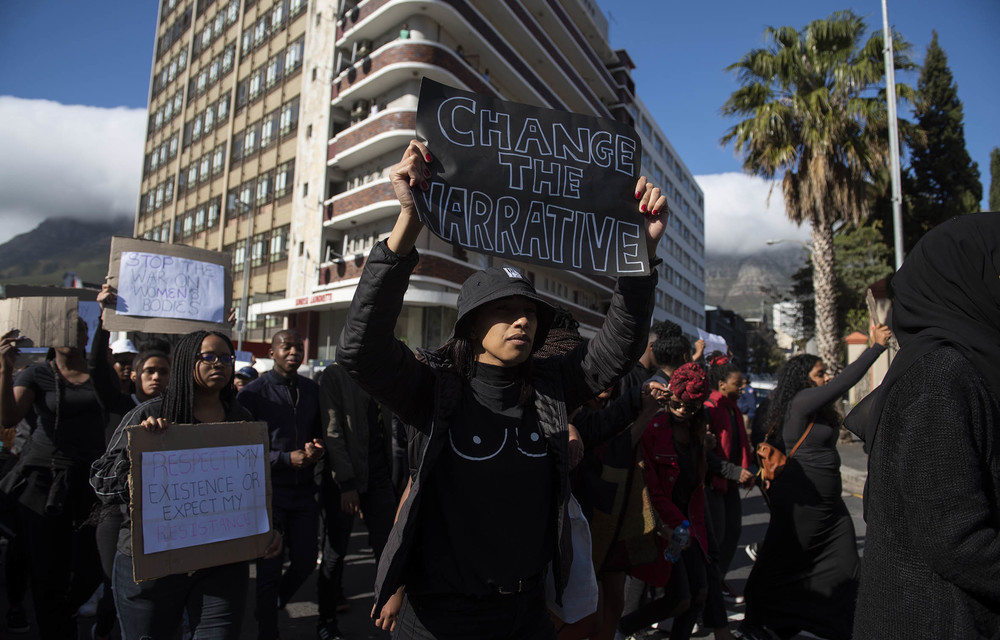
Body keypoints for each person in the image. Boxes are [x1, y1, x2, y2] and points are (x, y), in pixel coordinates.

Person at [336, 139, 666, 639]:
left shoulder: (553, 389)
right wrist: (410, 220)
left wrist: (640, 253)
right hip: (440, 619)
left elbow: (619, 347)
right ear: (470, 326)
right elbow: (360, 349)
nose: (522, 320)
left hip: (528, 613)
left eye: (530, 312)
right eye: (505, 310)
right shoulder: (435, 389)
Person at [846, 213, 1000, 639]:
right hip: (939, 619)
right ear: (964, 280)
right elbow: (955, 539)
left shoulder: (963, 365)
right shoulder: (939, 376)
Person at [90, 330, 282, 640]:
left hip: (222, 560)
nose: (218, 363)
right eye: (207, 356)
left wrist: (269, 528)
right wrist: (137, 451)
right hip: (154, 563)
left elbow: (256, 488)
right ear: (184, 362)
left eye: (225, 357)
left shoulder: (242, 421)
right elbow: (102, 484)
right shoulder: (150, 414)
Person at [739, 323, 891, 640]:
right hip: (803, 507)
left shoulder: (818, 410)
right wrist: (875, 348)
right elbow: (843, 384)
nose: (825, 378)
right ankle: (763, 619)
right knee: (784, 562)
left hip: (830, 509)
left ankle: (843, 625)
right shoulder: (800, 402)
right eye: (820, 373)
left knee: (846, 563)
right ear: (803, 378)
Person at [0, 316, 115, 640]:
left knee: (95, 565)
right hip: (43, 482)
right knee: (47, 570)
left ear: (85, 336)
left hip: (90, 482)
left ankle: (64, 611)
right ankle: (56, 629)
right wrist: (5, 369)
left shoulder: (99, 375)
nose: (68, 334)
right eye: (61, 328)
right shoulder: (36, 373)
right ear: (50, 337)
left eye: (77, 328)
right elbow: (8, 417)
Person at [621, 363, 734, 640]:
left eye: (691, 407)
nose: (683, 411)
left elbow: (696, 485)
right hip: (664, 524)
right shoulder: (655, 430)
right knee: (679, 598)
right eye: (678, 405)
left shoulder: (698, 434)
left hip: (690, 523)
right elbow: (652, 487)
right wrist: (673, 524)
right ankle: (621, 628)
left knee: (699, 594)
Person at [237, 329, 324, 640]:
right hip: (268, 494)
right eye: (285, 347)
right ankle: (267, 631)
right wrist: (287, 459)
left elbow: (319, 433)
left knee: (304, 561)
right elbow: (245, 452)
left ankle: (272, 604)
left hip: (304, 493)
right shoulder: (252, 394)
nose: (293, 353)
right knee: (268, 571)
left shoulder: (312, 390)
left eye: (297, 348)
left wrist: (315, 449)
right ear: (271, 352)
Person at [316, 361, 398, 640]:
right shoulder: (335, 374)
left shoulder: (378, 372)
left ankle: (389, 612)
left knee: (389, 547)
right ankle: (326, 620)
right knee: (335, 551)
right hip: (344, 480)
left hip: (378, 477)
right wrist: (346, 483)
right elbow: (333, 431)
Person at [703, 357, 752, 603]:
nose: (742, 388)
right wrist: (732, 471)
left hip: (730, 482)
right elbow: (707, 453)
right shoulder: (710, 407)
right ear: (721, 384)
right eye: (737, 384)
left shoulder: (732, 407)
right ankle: (710, 589)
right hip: (714, 483)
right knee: (718, 538)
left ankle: (717, 581)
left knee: (733, 532)